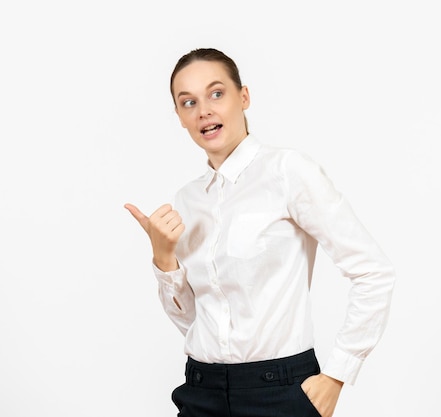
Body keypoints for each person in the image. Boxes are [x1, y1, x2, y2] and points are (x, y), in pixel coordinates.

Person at [124, 47, 395, 417]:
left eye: (216, 93)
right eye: (188, 102)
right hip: (201, 389)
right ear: (179, 116)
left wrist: (336, 375)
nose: (204, 110)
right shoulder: (186, 200)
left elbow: (373, 271)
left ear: (244, 97)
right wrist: (163, 257)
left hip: (280, 392)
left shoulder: (287, 171)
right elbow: (194, 322)